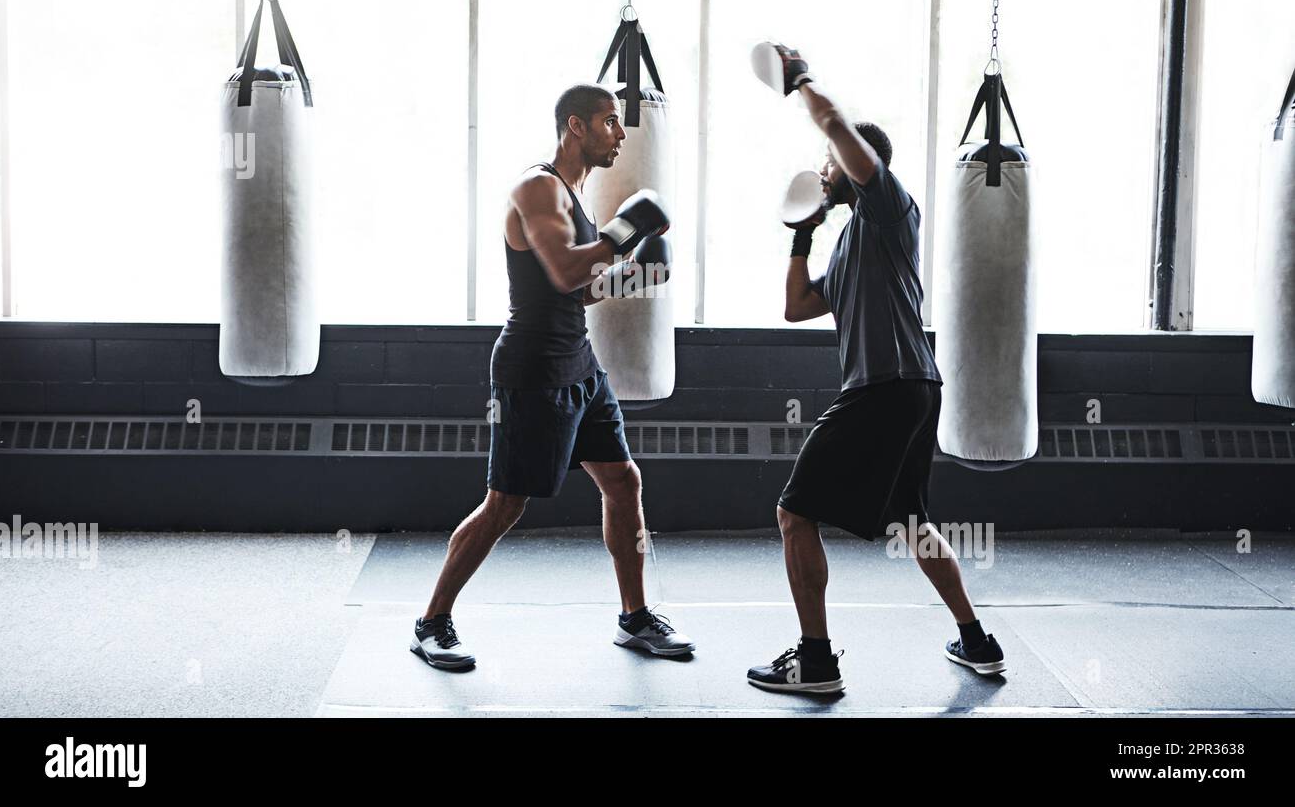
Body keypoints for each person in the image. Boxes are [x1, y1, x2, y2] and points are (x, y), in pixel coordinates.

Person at [745, 43, 1005, 694]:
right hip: (915, 390)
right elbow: (796, 306)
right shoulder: (850, 239)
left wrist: (800, 77)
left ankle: (815, 660)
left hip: (884, 391)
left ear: (857, 166)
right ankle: (978, 641)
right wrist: (801, 234)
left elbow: (836, 126)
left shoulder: (888, 209)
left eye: (831, 165)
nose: (822, 168)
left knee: (793, 514)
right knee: (914, 525)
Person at [411, 84, 695, 670]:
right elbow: (566, 272)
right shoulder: (537, 186)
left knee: (624, 483)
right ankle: (432, 620)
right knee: (504, 505)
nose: (621, 133)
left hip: (581, 366)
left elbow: (583, 292)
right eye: (611, 122)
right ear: (576, 126)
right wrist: (623, 232)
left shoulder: (576, 192)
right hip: (533, 369)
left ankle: (635, 617)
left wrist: (636, 276)